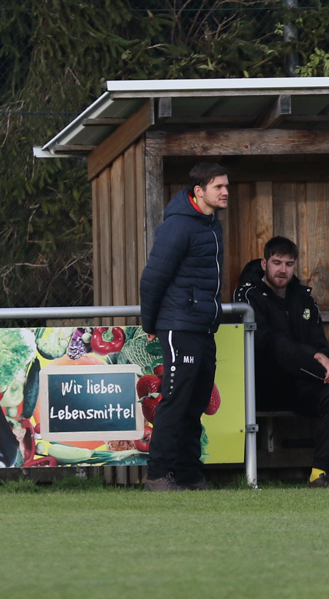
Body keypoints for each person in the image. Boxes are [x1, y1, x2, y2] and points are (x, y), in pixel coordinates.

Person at [233, 236, 329, 488]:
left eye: (289, 264)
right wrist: (314, 356)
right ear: (264, 263)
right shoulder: (248, 294)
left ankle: (317, 476)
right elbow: (264, 342)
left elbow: (319, 343)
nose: (283, 270)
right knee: (276, 344)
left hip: (300, 384)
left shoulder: (303, 298)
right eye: (277, 263)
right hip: (262, 385)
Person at [139, 163, 229, 492]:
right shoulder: (177, 226)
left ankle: (189, 474)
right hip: (179, 326)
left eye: (226, 186)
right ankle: (157, 475)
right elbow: (152, 278)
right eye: (218, 187)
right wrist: (150, 322)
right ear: (199, 191)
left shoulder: (213, 225)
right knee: (175, 400)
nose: (225, 192)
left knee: (196, 401)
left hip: (204, 327)